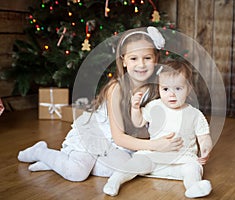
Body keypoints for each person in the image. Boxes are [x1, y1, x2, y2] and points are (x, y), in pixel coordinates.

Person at [17, 26, 183, 182]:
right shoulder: (116, 88)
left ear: (156, 60)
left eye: (147, 58)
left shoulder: (157, 88)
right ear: (124, 61)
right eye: (134, 58)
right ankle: (41, 152)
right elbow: (118, 137)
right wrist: (155, 145)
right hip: (96, 136)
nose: (141, 64)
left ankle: (61, 163)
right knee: (77, 173)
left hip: (118, 146)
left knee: (129, 169)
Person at [103, 60, 213, 198]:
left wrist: (205, 148)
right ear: (159, 88)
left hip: (182, 159)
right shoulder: (154, 106)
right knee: (135, 162)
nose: (171, 94)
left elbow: (204, 136)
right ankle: (115, 181)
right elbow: (138, 122)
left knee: (193, 168)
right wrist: (135, 108)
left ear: (188, 89)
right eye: (165, 89)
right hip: (154, 157)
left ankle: (193, 186)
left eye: (178, 89)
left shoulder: (194, 114)